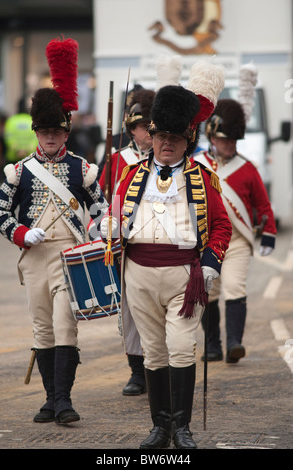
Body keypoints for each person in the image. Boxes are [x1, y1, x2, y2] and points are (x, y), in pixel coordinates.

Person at [100, 62, 232, 449]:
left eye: (175, 137)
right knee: (154, 352)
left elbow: (221, 226)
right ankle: (160, 427)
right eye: (161, 136)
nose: (166, 143)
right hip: (139, 276)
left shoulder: (202, 178)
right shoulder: (130, 175)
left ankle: (183, 427)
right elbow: (114, 216)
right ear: (151, 137)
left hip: (184, 277)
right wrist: (110, 229)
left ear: (187, 139)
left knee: (180, 347)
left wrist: (210, 263)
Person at [0, 37, 107, 425]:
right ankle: (51, 399)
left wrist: (100, 224)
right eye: (44, 131)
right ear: (36, 131)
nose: (51, 138)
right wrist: (21, 233)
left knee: (64, 327)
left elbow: (100, 208)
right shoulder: (19, 170)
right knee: (42, 330)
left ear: (67, 129)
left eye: (57, 131)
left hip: (69, 259)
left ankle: (64, 401)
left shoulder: (83, 169)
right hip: (35, 256)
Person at [195, 96, 277, 363]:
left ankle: (233, 343)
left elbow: (263, 205)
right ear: (212, 137)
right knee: (210, 292)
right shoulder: (197, 165)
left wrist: (269, 233)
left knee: (234, 286)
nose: (230, 145)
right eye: (225, 140)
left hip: (238, 240)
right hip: (207, 241)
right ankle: (213, 345)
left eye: (233, 141)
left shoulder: (247, 168)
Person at [96, 88, 155, 397]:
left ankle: (158, 368)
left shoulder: (165, 158)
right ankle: (137, 371)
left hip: (158, 242)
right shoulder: (118, 159)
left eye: (153, 126)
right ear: (132, 128)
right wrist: (104, 226)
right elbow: (102, 201)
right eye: (145, 126)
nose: (150, 132)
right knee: (129, 310)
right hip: (126, 245)